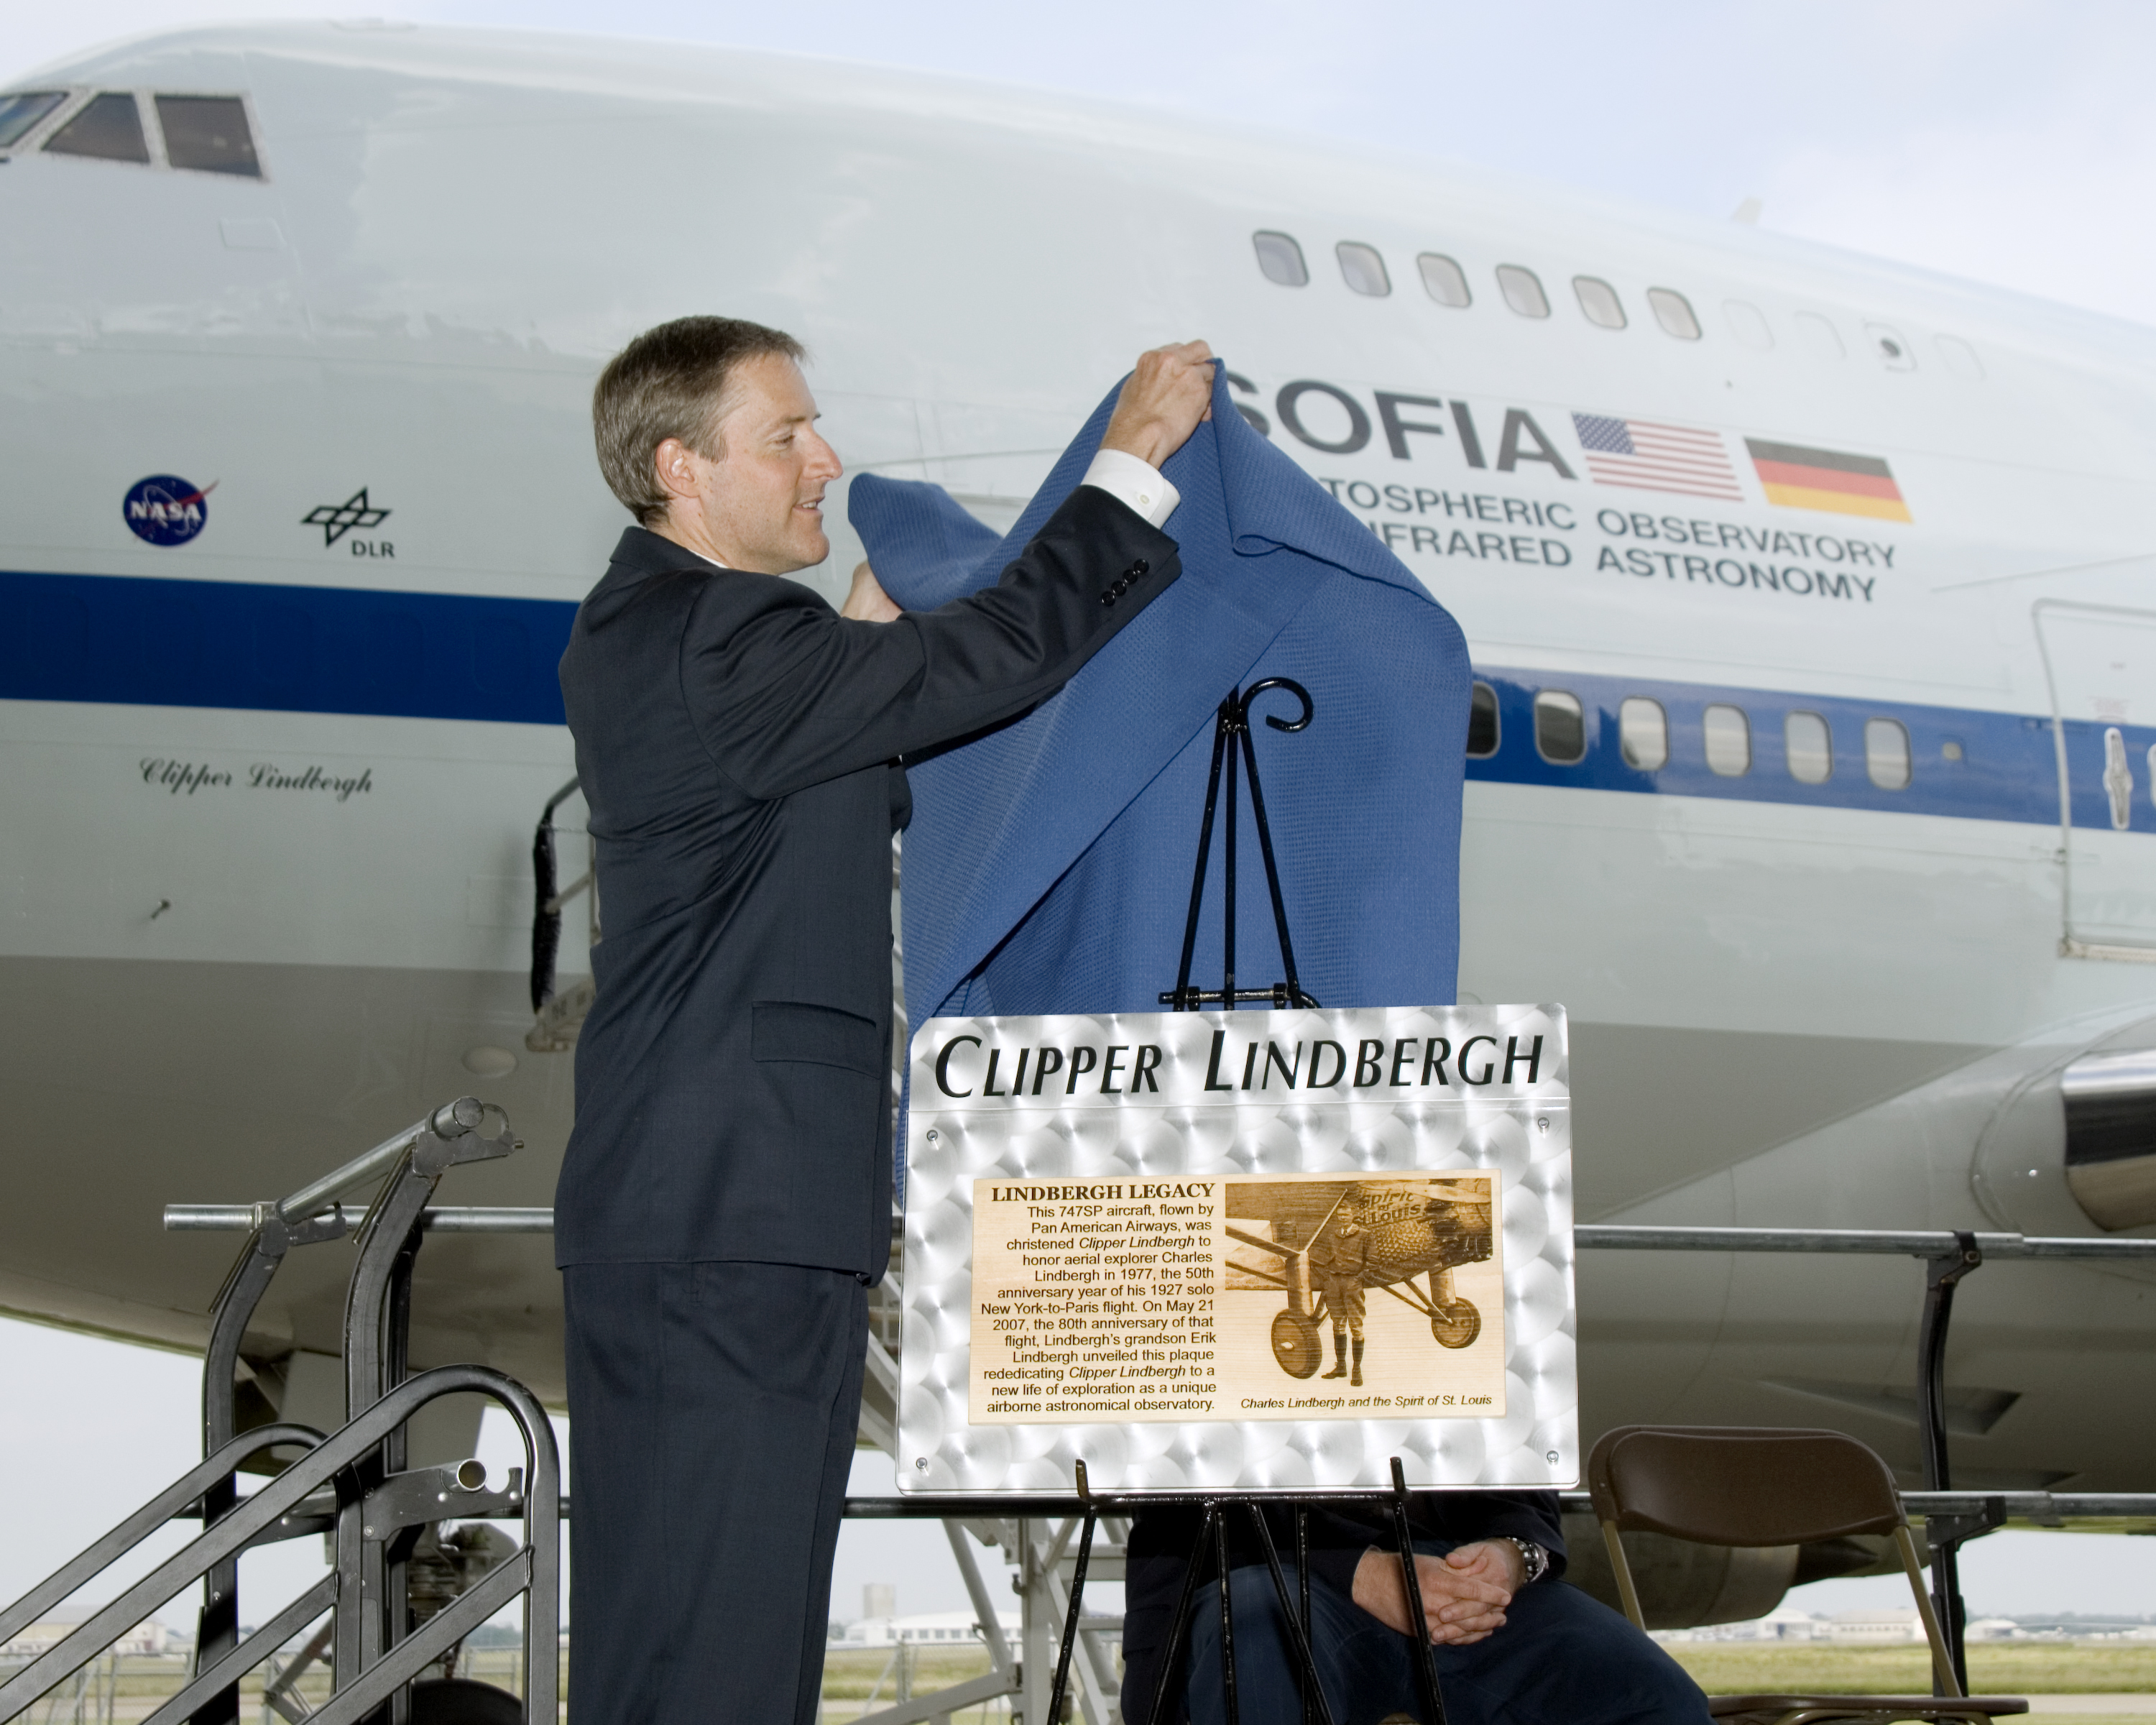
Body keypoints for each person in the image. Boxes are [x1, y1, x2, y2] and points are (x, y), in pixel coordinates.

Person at [552, 314, 1215, 1725]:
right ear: (683, 468)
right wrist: (1134, 461)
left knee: (690, 1631)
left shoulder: (673, 635)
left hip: (712, 1211)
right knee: (719, 1652)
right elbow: (996, 660)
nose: (824, 460)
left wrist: (864, 631)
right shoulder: (720, 633)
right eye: (785, 435)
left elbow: (802, 784)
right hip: (727, 1214)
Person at [1122, 1495, 1713, 1725]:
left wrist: (1512, 1556)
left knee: (1657, 1701)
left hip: (1452, 1571)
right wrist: (1363, 1571)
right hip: (1264, 1564)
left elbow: (1520, 1478)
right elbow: (1181, 1491)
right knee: (1256, 1645)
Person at [1311, 1195, 1371, 1384]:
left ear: (1354, 1215)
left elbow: (1372, 1260)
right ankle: (1341, 1367)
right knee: (1338, 1324)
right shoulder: (1333, 1235)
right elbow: (1329, 1256)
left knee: (1356, 1327)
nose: (1343, 1218)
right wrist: (1328, 1274)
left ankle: (1357, 1370)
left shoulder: (1364, 1235)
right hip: (1334, 1283)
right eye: (1340, 1215)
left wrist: (1359, 1278)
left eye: (1346, 1215)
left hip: (1352, 1283)